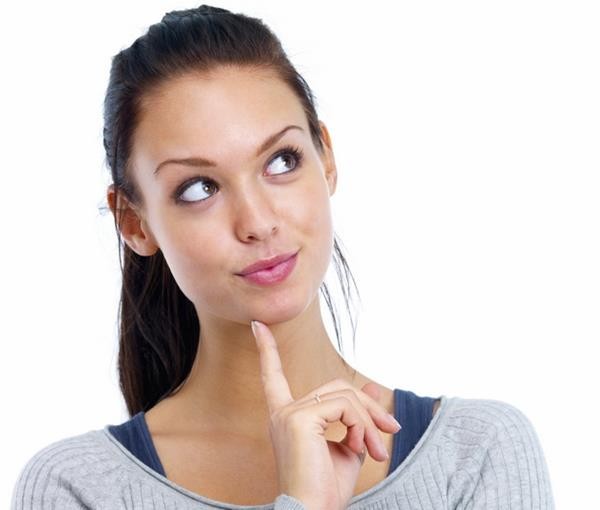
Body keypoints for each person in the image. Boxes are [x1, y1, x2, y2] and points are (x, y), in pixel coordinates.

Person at [11, 5, 555, 509]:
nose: (258, 222)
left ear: (327, 157)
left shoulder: (475, 454)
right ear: (134, 222)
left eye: (282, 160)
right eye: (199, 188)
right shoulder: (78, 489)